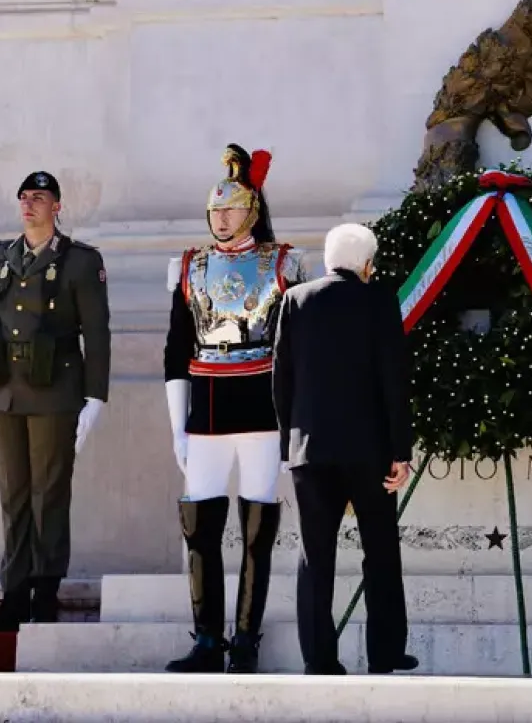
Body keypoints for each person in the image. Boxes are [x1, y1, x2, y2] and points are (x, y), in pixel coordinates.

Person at [162, 144, 309, 673]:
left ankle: (245, 638)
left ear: (252, 209)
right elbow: (177, 350)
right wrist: (177, 424)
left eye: (231, 208)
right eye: (215, 209)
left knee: (256, 525)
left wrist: (295, 420)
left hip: (262, 403)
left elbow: (295, 351)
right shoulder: (189, 267)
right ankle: (206, 639)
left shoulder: (283, 262)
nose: (222, 217)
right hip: (207, 401)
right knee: (199, 521)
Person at [0, 170, 111, 632]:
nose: (29, 205)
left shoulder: (80, 262)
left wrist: (95, 397)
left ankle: (45, 595)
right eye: (24, 197)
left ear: (57, 206)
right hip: (5, 390)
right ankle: (13, 595)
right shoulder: (2, 256)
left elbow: (97, 333)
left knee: (50, 494)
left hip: (54, 391)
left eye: (39, 197)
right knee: (14, 495)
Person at [271, 223, 417, 676]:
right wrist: (401, 450)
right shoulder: (379, 300)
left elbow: (281, 379)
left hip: (309, 452)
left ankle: (319, 657)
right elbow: (394, 379)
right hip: (369, 450)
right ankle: (386, 653)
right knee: (380, 551)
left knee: (315, 555)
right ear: (367, 265)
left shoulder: (295, 300)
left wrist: (287, 446)